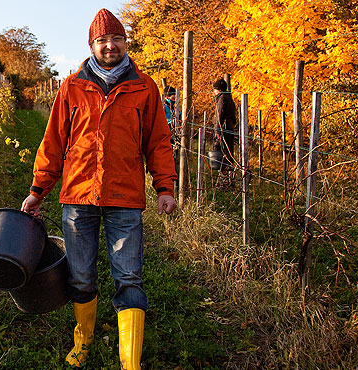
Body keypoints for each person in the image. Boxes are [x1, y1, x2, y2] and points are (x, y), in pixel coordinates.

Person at [20, 9, 177, 369]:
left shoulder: (144, 87)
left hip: (125, 197)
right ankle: (84, 340)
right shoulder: (73, 87)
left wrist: (164, 186)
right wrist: (38, 189)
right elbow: (54, 141)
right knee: (80, 274)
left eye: (116, 39)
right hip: (79, 196)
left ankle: (130, 361)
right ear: (92, 46)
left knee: (129, 276)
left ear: (125, 42)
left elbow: (158, 142)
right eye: (102, 41)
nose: (110, 46)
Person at [212, 78, 237, 187]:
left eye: (214, 89)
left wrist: (217, 130)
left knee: (222, 152)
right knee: (229, 151)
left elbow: (219, 115)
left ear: (218, 90)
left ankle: (223, 179)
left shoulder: (221, 99)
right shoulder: (229, 98)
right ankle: (229, 178)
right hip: (229, 127)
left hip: (223, 128)